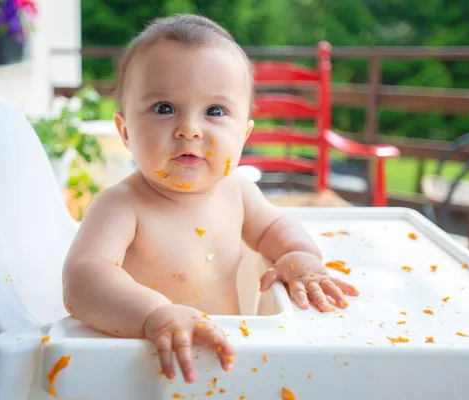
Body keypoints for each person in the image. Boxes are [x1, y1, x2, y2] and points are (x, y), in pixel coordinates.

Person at [62, 13, 358, 384]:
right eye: (164, 108)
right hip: (146, 370)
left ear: (244, 134)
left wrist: (300, 256)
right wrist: (155, 314)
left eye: (215, 111)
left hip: (226, 362)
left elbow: (274, 226)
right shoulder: (121, 206)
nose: (189, 129)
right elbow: (83, 280)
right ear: (125, 130)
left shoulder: (237, 192)